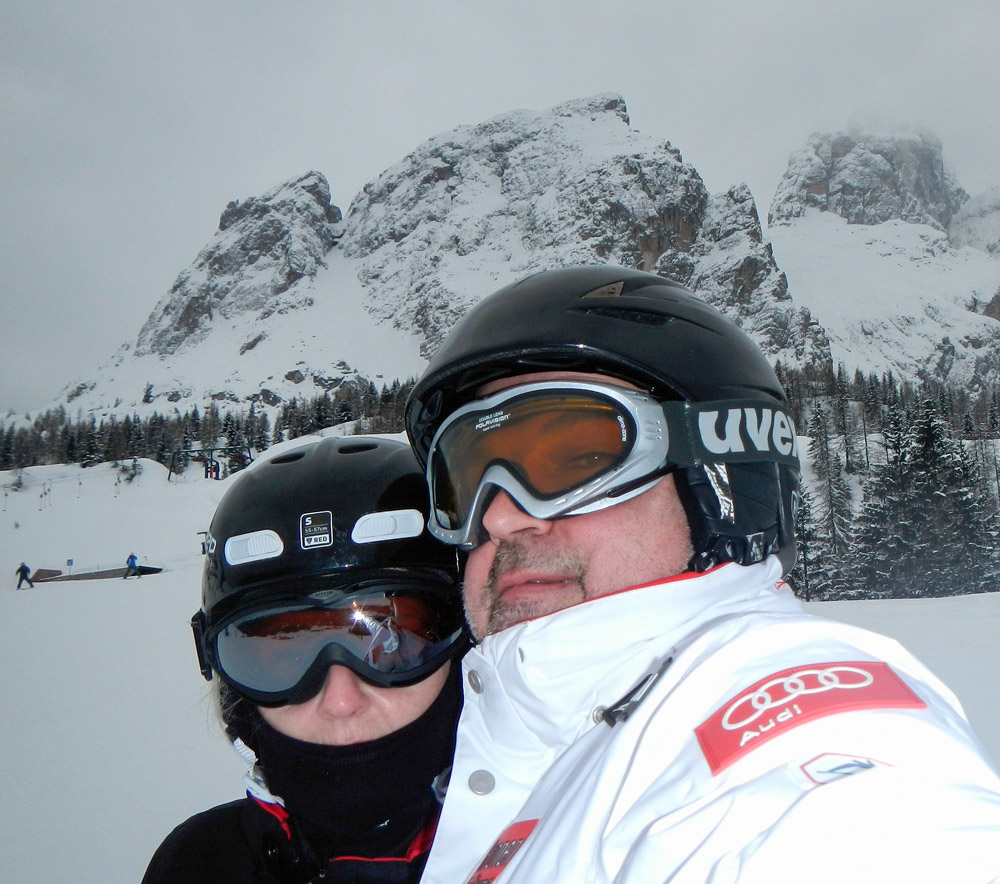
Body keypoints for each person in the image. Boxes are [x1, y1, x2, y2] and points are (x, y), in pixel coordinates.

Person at [404, 265, 1000, 883]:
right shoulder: (536, 738)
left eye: (576, 459)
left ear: (718, 481)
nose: (500, 516)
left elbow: (869, 826)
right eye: (467, 482)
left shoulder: (785, 693)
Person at [142, 435, 469, 883]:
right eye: (284, 653)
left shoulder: (559, 849)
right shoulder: (201, 864)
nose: (339, 700)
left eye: (391, 642)